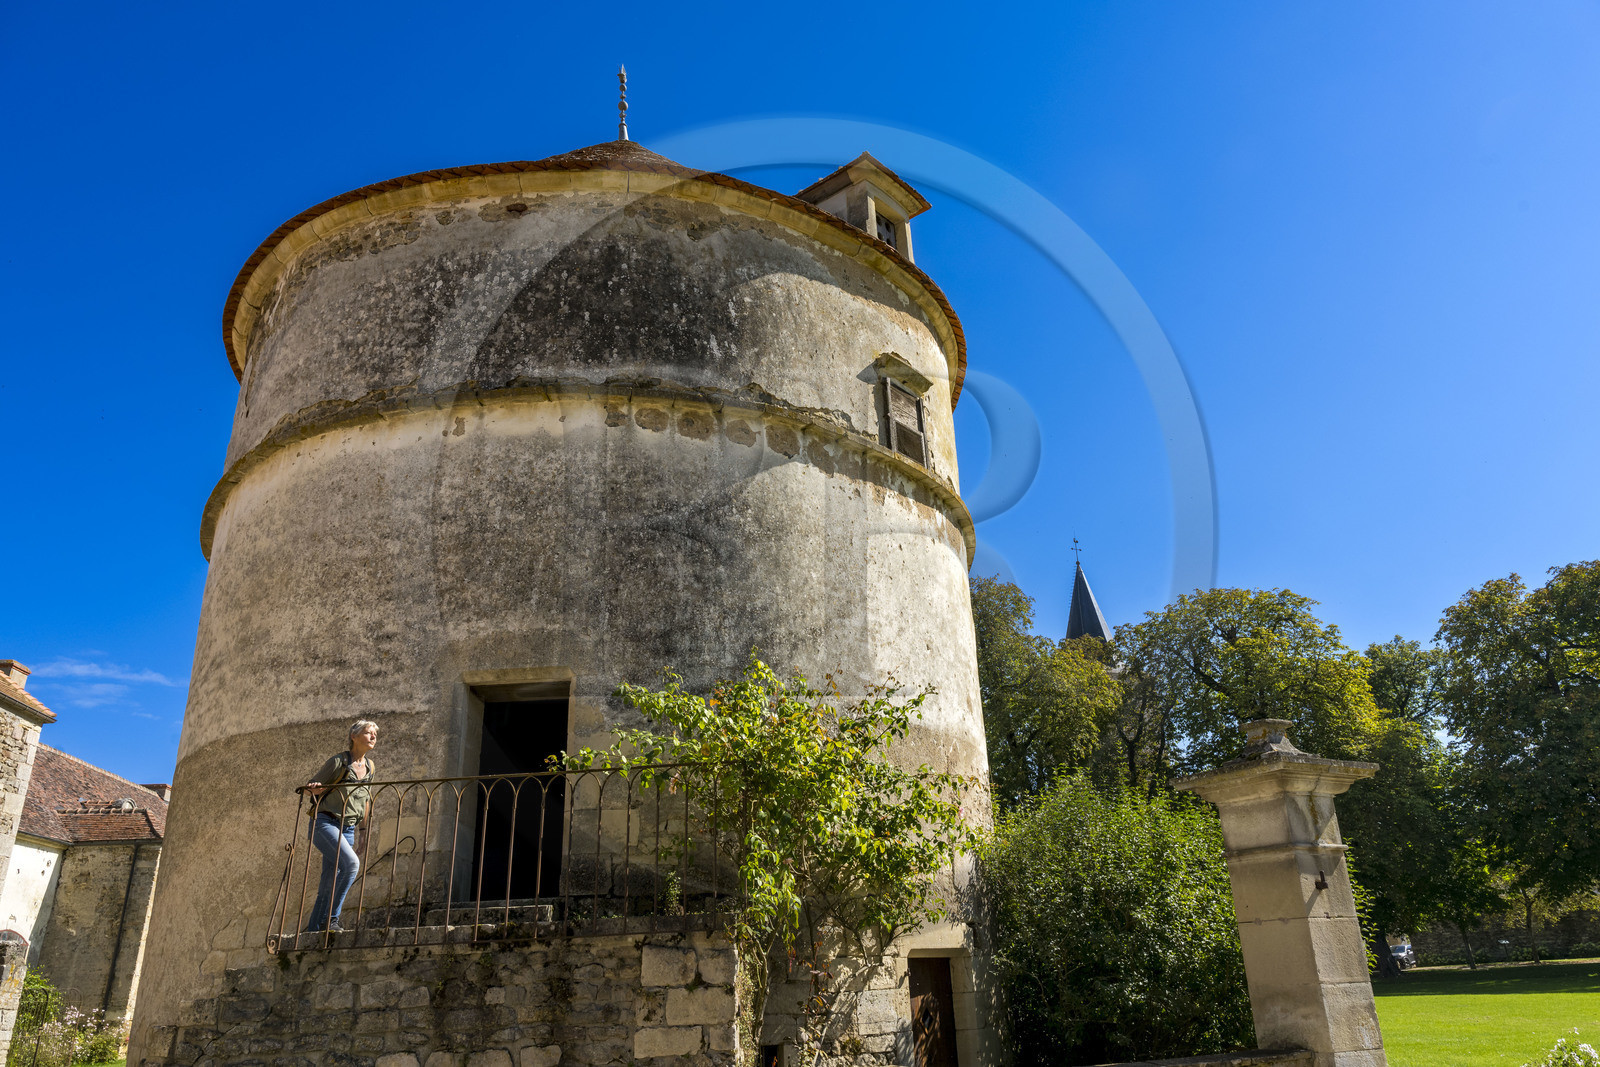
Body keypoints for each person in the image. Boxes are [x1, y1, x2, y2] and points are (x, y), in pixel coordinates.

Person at [301, 719, 378, 933]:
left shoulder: (370, 767)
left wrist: (363, 831)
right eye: (368, 732)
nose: (373, 736)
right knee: (352, 865)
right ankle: (331, 920)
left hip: (349, 828)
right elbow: (309, 789)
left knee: (328, 881)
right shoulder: (338, 762)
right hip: (325, 823)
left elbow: (365, 800)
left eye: (375, 734)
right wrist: (313, 788)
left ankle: (314, 929)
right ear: (353, 736)